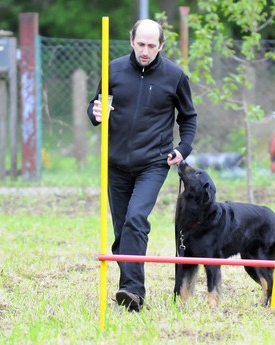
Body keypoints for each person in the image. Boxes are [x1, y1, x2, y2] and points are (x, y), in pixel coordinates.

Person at [87, 19, 197, 311]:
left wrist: (183, 148)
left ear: (161, 45)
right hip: (115, 163)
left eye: (151, 45)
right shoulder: (113, 70)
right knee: (123, 231)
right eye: (140, 44)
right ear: (131, 41)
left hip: (153, 163)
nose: (145, 51)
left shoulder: (175, 76)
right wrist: (96, 112)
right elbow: (95, 106)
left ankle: (132, 292)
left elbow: (188, 117)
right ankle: (130, 287)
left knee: (136, 219)